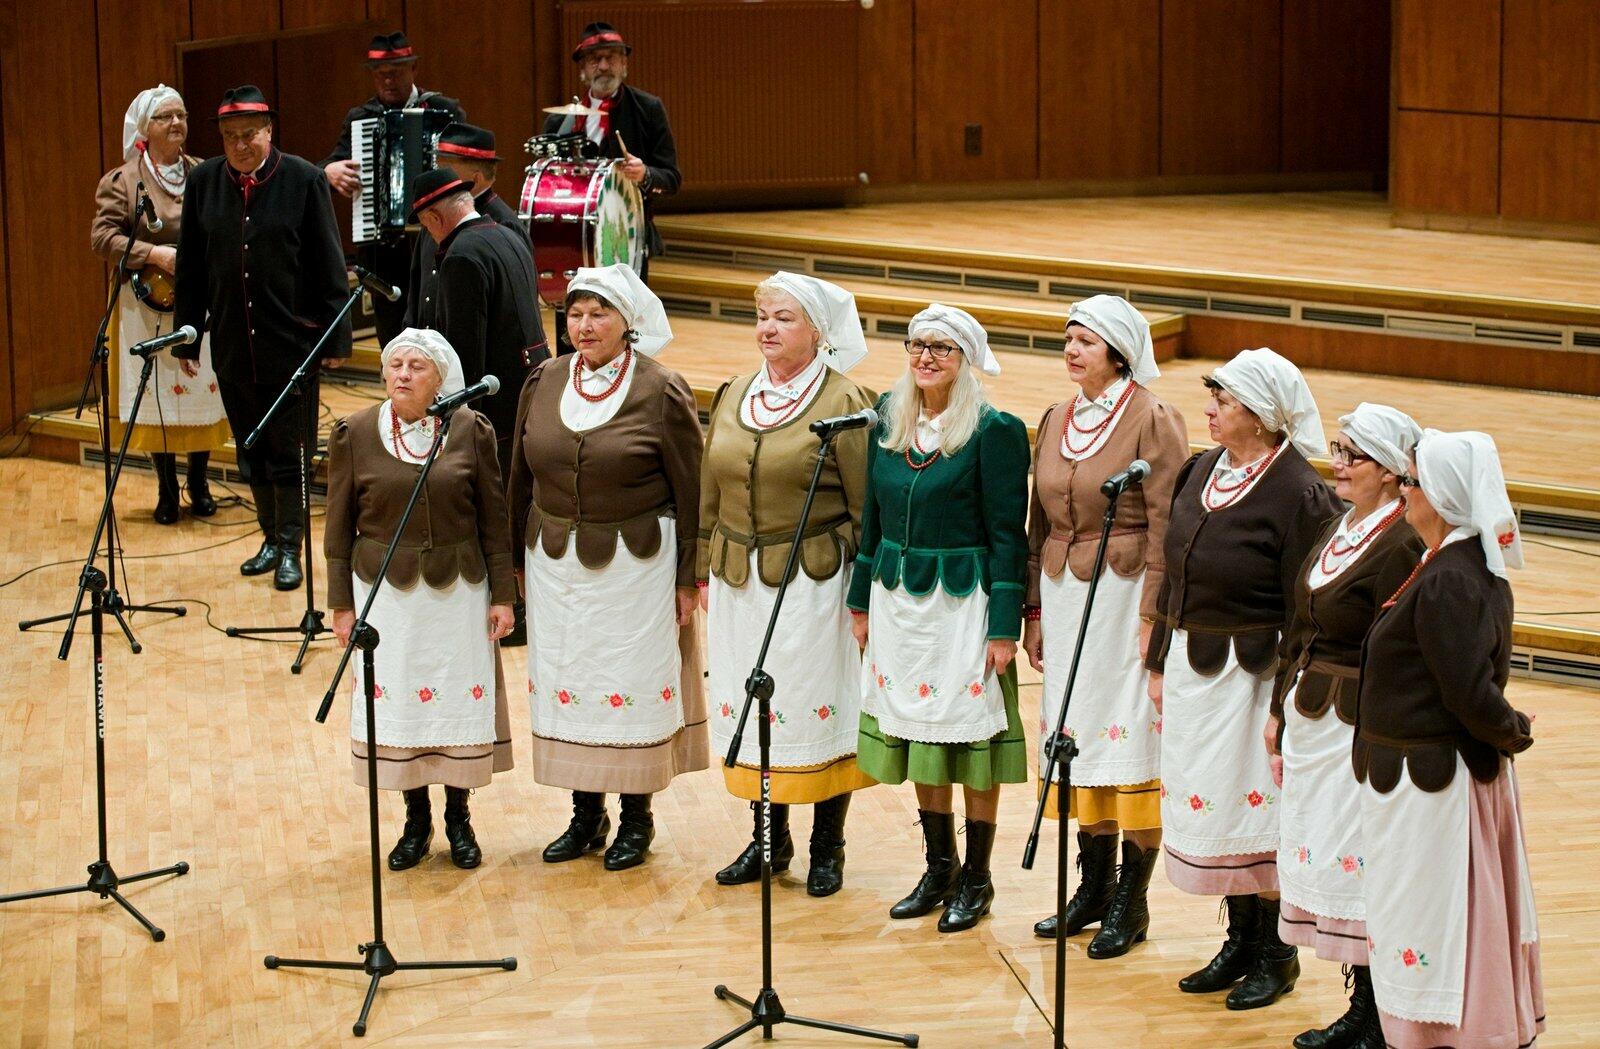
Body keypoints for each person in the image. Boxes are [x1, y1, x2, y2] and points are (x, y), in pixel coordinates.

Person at [1145, 347, 1343, 1009]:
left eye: (1223, 400)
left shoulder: (1299, 492)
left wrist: (1285, 704)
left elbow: (1306, 610)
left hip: (1256, 679)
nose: (1209, 409)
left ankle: (1276, 954)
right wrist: (1158, 659)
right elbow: (1174, 575)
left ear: (1258, 414)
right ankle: (1239, 940)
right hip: (1195, 672)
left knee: (1261, 815)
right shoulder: (1201, 469)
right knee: (1222, 809)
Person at [507, 265, 706, 871]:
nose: (584, 326)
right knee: (572, 681)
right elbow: (518, 477)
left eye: (599, 314)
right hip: (554, 565)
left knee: (628, 683)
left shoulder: (661, 389)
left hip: (636, 567)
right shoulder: (543, 379)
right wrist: (513, 560)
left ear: (628, 323)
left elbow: (692, 490)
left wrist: (688, 577)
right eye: (575, 314)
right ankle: (585, 814)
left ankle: (636, 818)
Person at [1354, 430, 1544, 1049]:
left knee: (1438, 919)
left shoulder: (1450, 579)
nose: (1402, 492)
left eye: (1411, 482)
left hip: (1433, 788)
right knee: (1423, 915)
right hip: (1415, 782)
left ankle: (1450, 1037)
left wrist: (1512, 730)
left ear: (1443, 495)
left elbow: (1467, 691)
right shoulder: (1442, 565)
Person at [850, 304, 1031, 935]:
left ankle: (977, 877)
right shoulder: (888, 419)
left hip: (963, 605)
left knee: (969, 742)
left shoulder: (994, 431)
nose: (925, 357)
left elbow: (1008, 534)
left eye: (941, 348)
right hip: (898, 603)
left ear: (966, 359)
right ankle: (939, 868)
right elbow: (872, 519)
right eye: (917, 344)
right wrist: (860, 600)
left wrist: (1004, 625)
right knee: (918, 735)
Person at [699, 272, 876, 898]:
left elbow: (867, 508)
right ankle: (768, 841)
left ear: (819, 332)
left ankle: (829, 846)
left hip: (815, 583)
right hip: (739, 582)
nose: (768, 329)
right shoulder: (735, 392)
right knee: (756, 703)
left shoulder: (846, 401)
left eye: (784, 318)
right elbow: (710, 488)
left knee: (816, 703)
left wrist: (865, 595)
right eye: (763, 316)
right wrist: (700, 568)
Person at [1022, 295, 1187, 956]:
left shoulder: (1152, 417)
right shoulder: (1054, 417)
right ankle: (1092, 886)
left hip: (1124, 598)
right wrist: (1034, 609)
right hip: (1066, 598)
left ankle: (1131, 898)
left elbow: (1169, 523)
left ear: (1118, 353)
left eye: (1085, 340)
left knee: (1129, 739)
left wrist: (1154, 615)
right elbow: (1038, 521)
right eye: (1068, 338)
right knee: (1078, 733)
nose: (1072, 349)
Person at [324, 327, 515, 871]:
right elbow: (337, 527)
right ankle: (416, 820)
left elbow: (493, 518)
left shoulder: (470, 429)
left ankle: (458, 817)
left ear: (441, 379)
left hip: (459, 593)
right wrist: (341, 605)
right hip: (385, 596)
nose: (403, 375)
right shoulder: (355, 433)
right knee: (403, 704)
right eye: (396, 365)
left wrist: (503, 595)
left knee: (453, 702)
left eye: (417, 367)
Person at [1267, 403, 1424, 1049]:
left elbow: (1398, 646)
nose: (1337, 463)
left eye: (1352, 455)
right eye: (1336, 448)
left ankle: (1378, 1018)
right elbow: (1299, 625)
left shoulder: (1402, 541)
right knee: (1333, 862)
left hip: (1358, 725)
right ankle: (1360, 1009)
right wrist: (1277, 706)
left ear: (1389, 470)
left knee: (1363, 867)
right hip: (1314, 716)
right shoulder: (1340, 525)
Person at [175, 85, 351, 591]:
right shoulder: (204, 182)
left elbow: (328, 262)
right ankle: (270, 538)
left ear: (269, 131)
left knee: (290, 452)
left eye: (248, 134)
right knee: (251, 449)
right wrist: (189, 337)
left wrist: (336, 341)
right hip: (233, 343)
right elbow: (191, 266)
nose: (239, 145)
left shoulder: (304, 179)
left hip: (292, 344)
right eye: (229, 136)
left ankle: (292, 546)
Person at [91, 84, 227, 524]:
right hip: (145, 302)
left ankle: (199, 483)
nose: (176, 123)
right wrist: (153, 254)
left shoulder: (205, 172)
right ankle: (167, 490)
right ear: (144, 129)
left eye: (181, 115)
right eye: (166, 116)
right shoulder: (123, 180)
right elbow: (102, 237)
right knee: (157, 395)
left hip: (198, 300)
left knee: (201, 387)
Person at [322, 31, 464, 346]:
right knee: (392, 338)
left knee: (439, 331)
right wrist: (328, 172)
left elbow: (464, 167)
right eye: (380, 74)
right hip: (383, 251)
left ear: (413, 69)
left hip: (436, 243)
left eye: (396, 72)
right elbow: (332, 166)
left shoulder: (444, 110)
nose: (388, 81)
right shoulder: (361, 119)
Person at [409, 169, 547, 480]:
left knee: (494, 496)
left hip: (496, 406)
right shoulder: (508, 234)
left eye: (426, 226)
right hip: (532, 386)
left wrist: (461, 425)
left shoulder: (461, 255)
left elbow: (464, 354)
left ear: (434, 217)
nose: (430, 235)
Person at [544, 22, 679, 279]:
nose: (604, 66)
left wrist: (645, 174)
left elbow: (672, 178)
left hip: (626, 233)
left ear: (624, 64)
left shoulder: (648, 109)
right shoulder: (559, 122)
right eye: (595, 59)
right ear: (583, 69)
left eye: (611, 58)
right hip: (574, 238)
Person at [403, 123, 524, 331]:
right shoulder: (435, 214)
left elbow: (516, 305)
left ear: (475, 178)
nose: (438, 175)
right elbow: (417, 289)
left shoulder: (505, 224)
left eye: (445, 169)